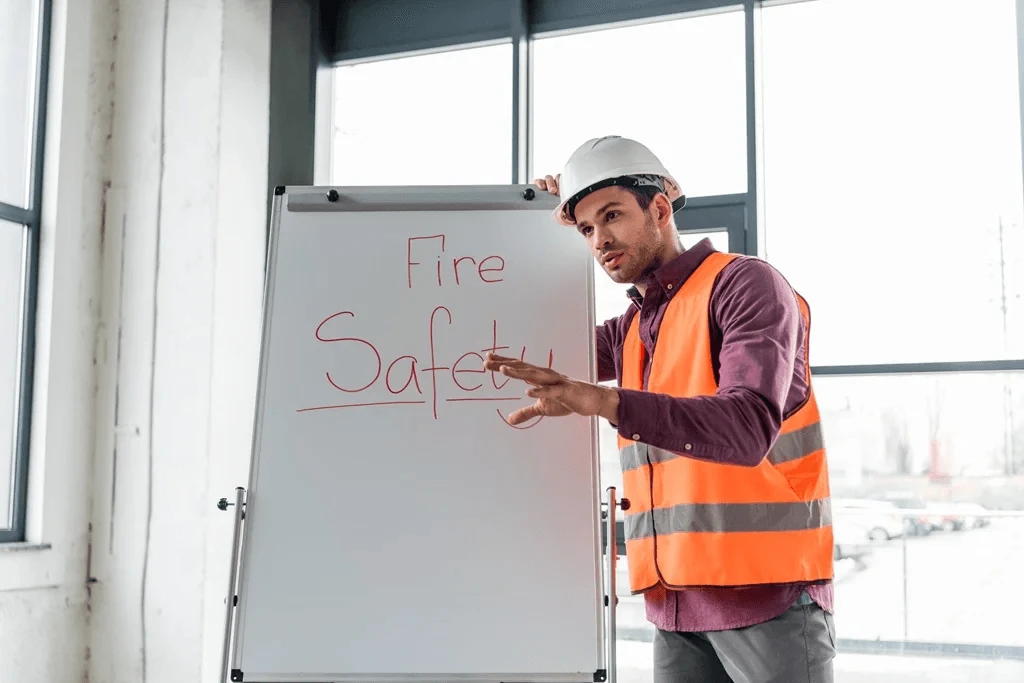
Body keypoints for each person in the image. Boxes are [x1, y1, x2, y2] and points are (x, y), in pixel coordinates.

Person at [483, 135, 836, 682]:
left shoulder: (743, 284)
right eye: (585, 229)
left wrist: (602, 400)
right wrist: (533, 222)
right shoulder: (634, 327)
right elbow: (526, 348)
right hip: (674, 602)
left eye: (613, 215)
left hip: (768, 597)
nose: (600, 240)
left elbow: (747, 427)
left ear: (661, 209)